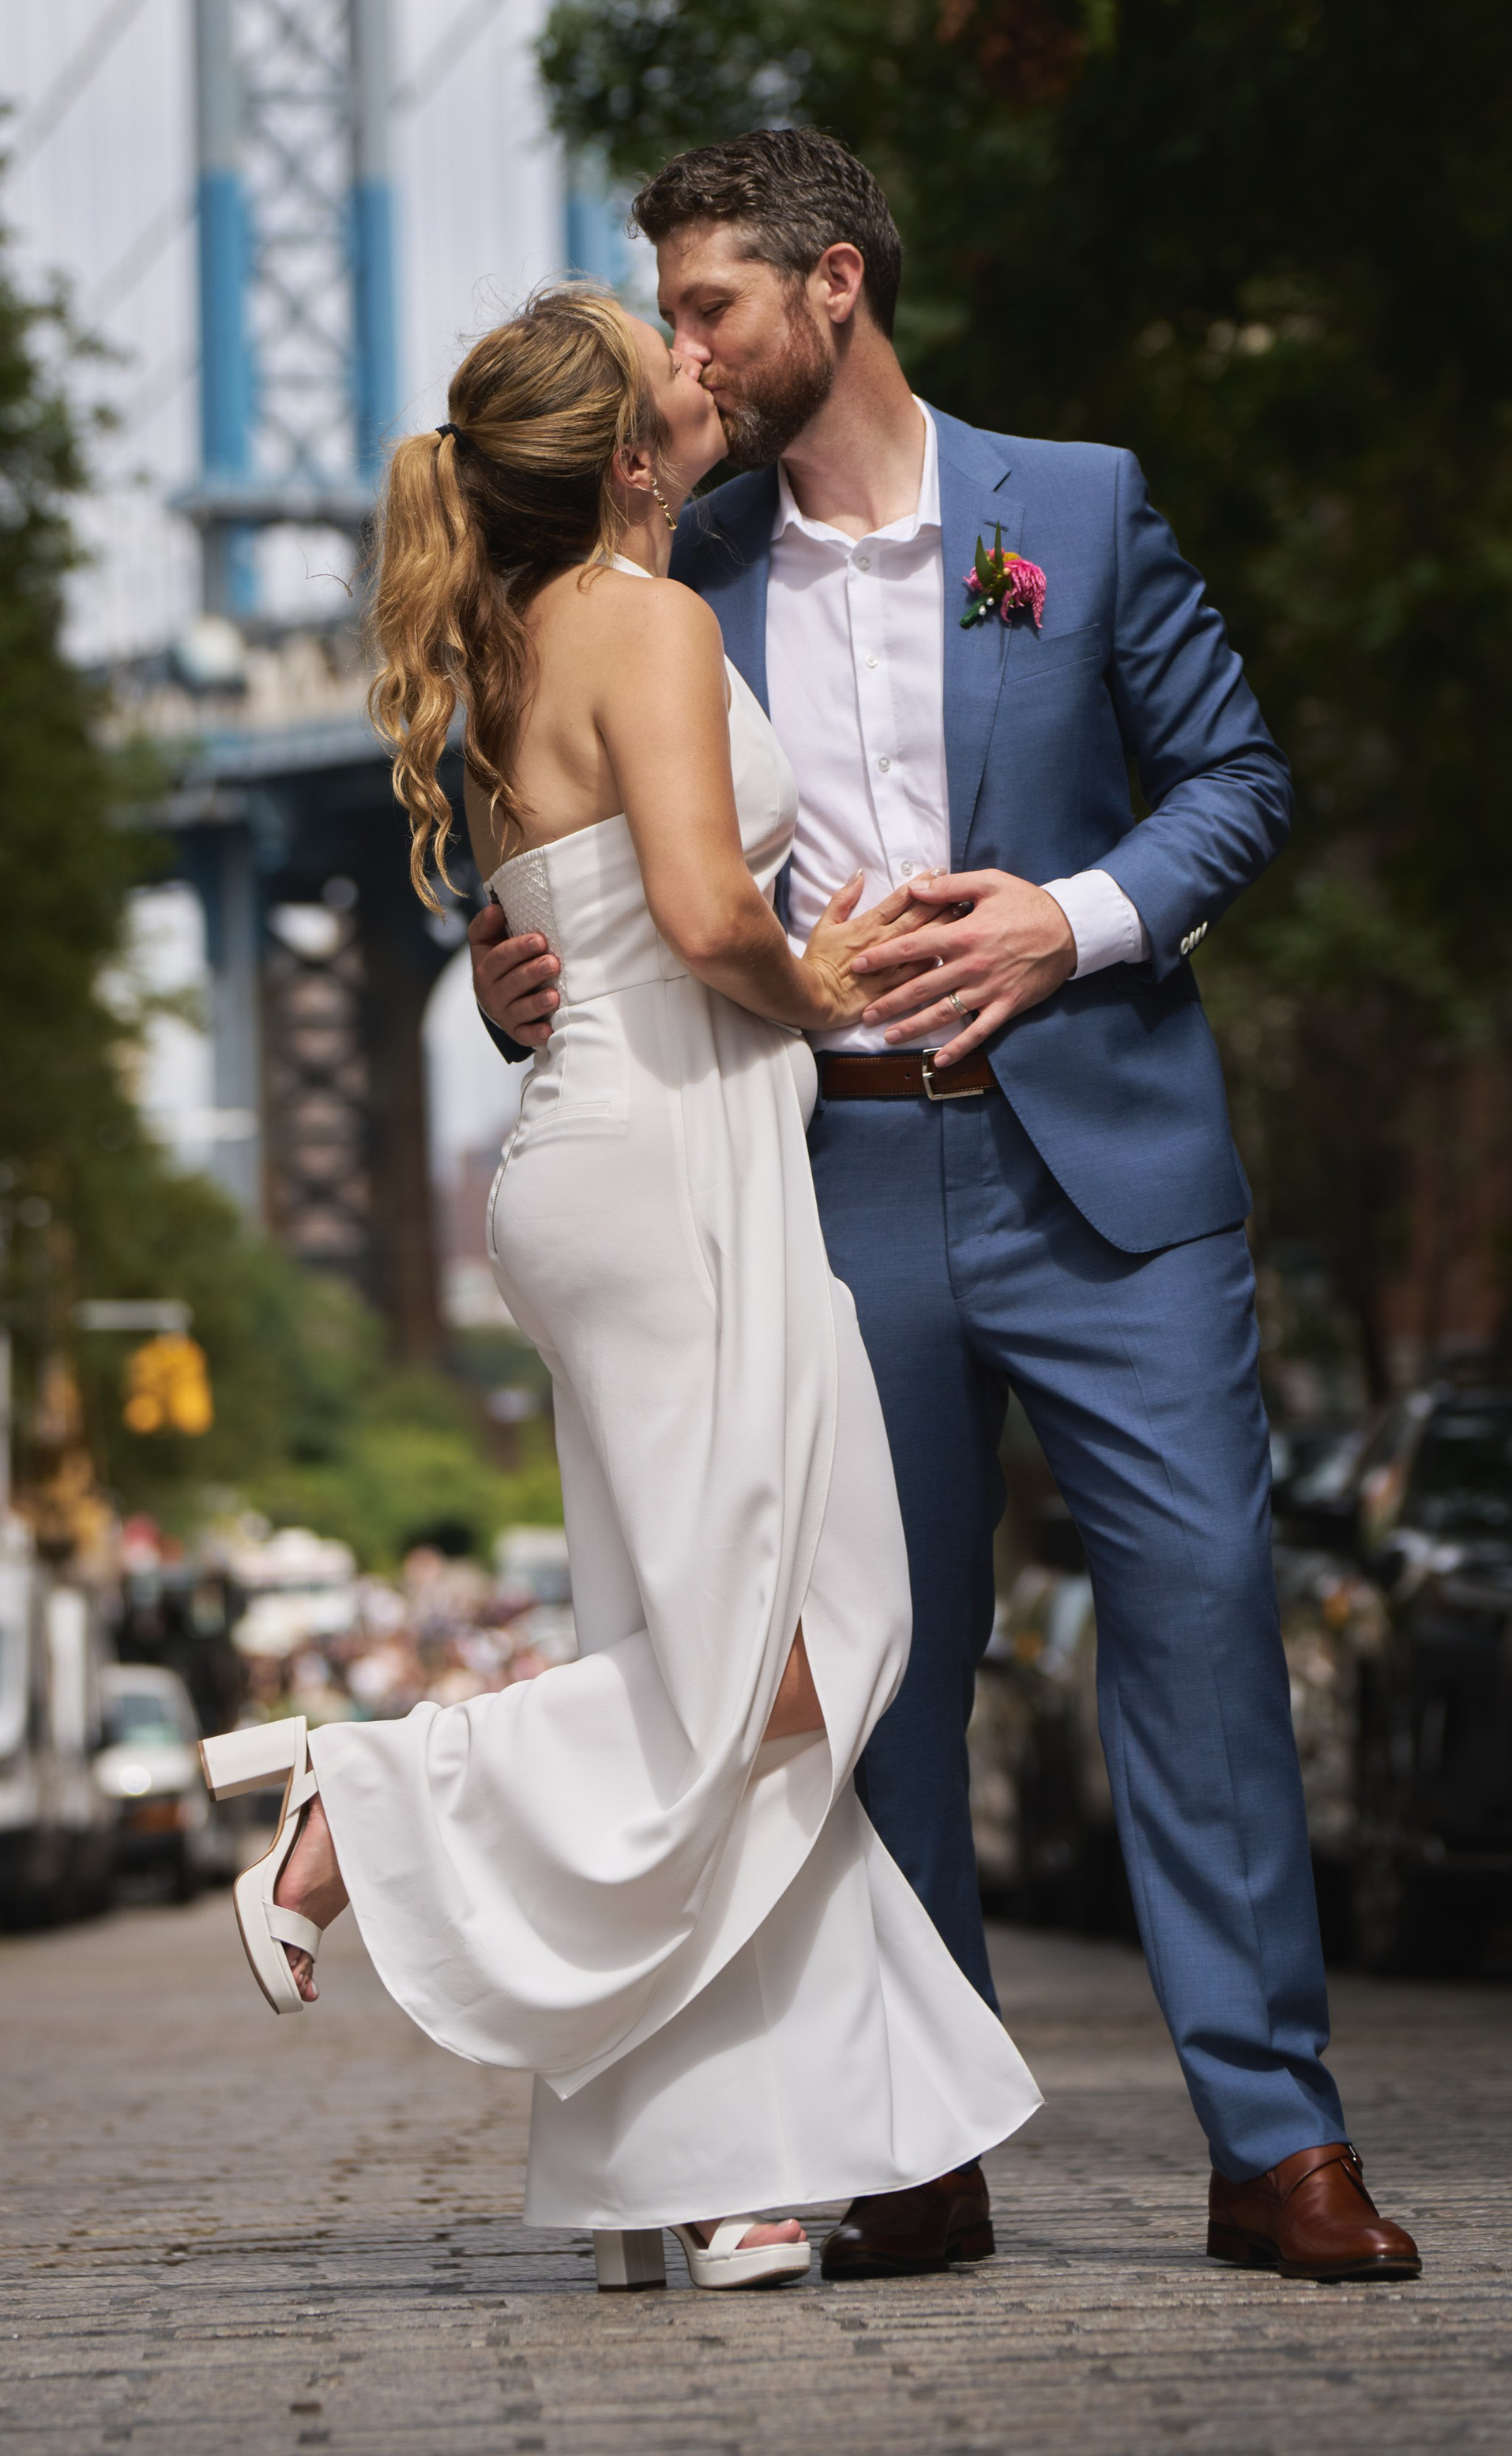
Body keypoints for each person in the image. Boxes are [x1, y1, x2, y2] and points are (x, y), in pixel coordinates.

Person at [470, 128, 1420, 2288]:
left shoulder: (1069, 506)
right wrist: (499, 950)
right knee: (877, 1671)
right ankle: (915, 2141)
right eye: (668, 316)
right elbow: (525, 805)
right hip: (828, 1174)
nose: (681, 353)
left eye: (707, 304)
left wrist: (1068, 924)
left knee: (1193, 1633)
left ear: (836, 290)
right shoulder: (670, 567)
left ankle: (1277, 2146)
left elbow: (1240, 782)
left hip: (1114, 1178)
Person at [201, 284, 1039, 2293]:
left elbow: (560, 923)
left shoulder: (498, 651)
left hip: (603, 1159)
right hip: (674, 1167)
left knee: (743, 1672)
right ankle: (368, 1793)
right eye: (655, 352)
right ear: (626, 454)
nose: (695, 362)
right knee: (797, 1647)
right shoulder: (643, 623)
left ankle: (701, 2166)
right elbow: (688, 910)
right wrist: (831, 980)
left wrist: (734, 967)